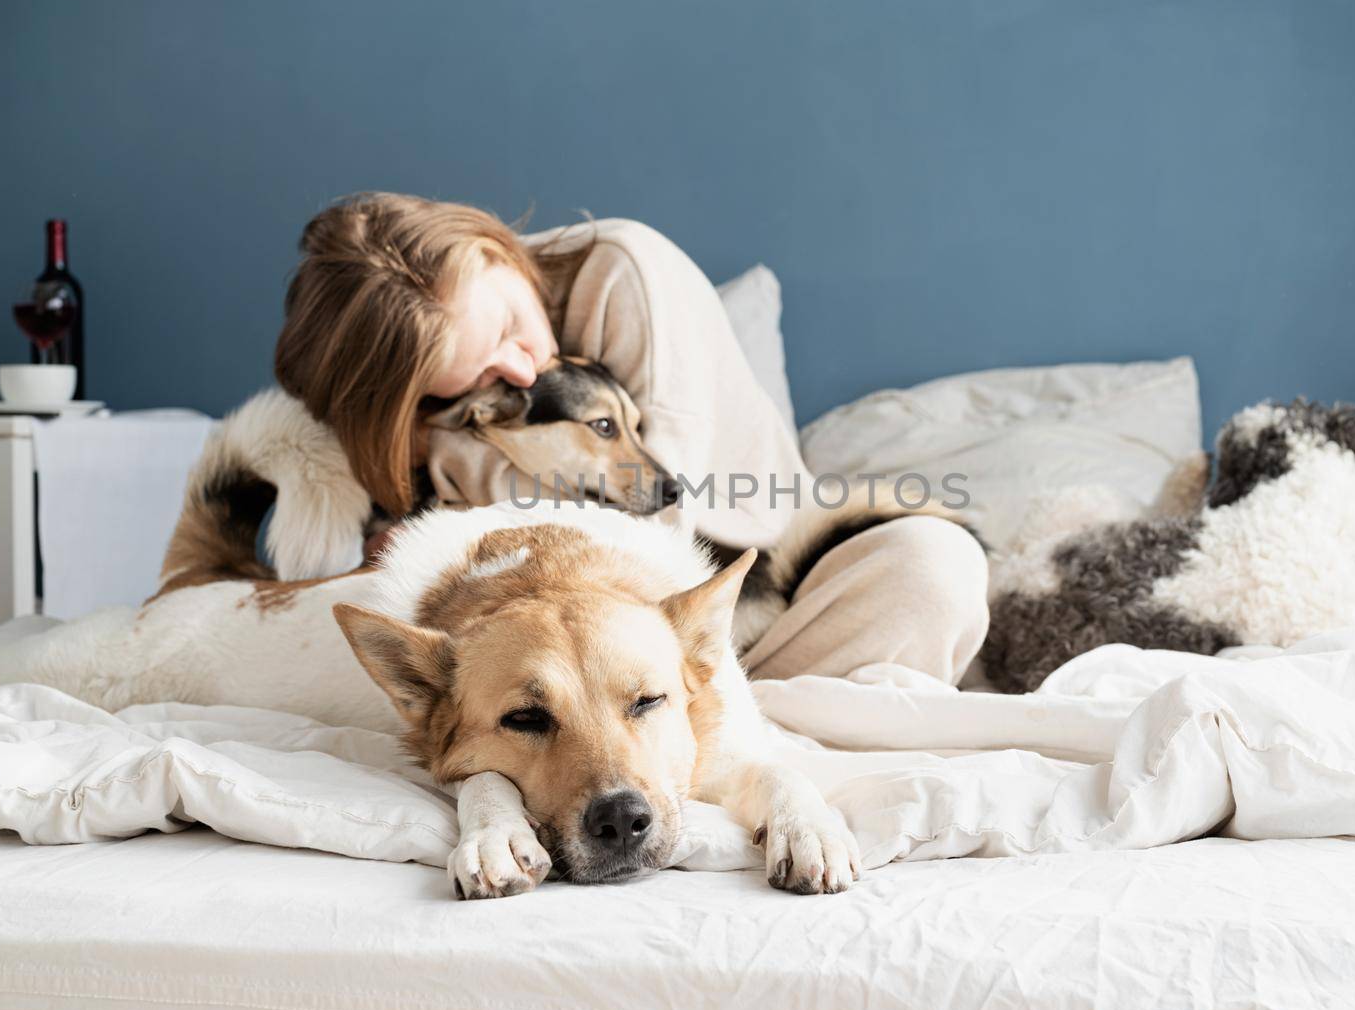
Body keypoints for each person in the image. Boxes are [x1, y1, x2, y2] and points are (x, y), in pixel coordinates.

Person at [272, 192, 988, 683]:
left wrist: (454, 459)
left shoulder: (624, 273)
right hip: (555, 651)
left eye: (507, 331)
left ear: (493, 248)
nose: (526, 366)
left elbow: (653, 525)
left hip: (751, 590)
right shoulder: (404, 403)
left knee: (933, 567)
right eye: (469, 383)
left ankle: (734, 732)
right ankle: (737, 736)